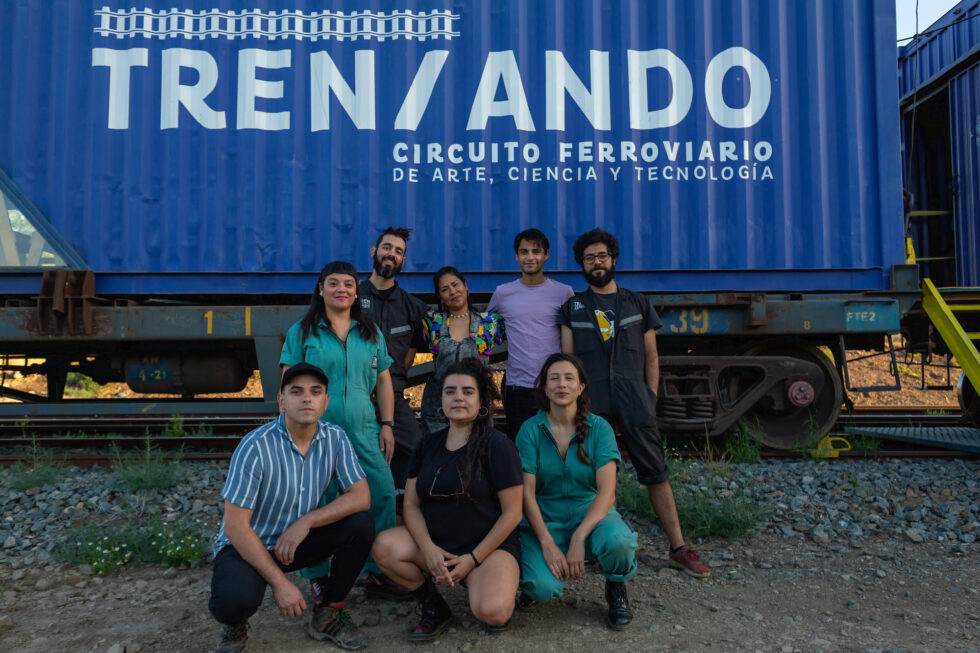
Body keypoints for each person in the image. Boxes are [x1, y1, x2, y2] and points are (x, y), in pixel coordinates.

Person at [558, 229, 710, 578]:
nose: (596, 263)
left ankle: (679, 547)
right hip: (592, 404)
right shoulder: (572, 308)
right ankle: (602, 547)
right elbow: (567, 362)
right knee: (593, 477)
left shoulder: (638, 303)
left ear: (613, 259)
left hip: (635, 401)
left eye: (602, 256)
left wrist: (649, 397)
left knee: (656, 472)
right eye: (589, 258)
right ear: (582, 265)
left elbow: (652, 357)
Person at [208, 363, 374, 652]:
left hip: (294, 542)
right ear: (281, 401)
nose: (307, 398)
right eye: (296, 392)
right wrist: (279, 584)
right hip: (248, 545)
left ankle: (329, 612)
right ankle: (235, 623)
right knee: (233, 601)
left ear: (325, 401)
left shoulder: (335, 438)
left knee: (360, 524)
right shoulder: (255, 446)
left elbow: (361, 497)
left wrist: (306, 522)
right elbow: (235, 527)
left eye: (315, 392)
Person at [372, 357, 523, 640]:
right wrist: (428, 548)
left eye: (468, 391)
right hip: (438, 543)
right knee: (384, 547)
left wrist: (473, 559)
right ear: (440, 400)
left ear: (481, 401)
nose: (458, 398)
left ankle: (479, 579)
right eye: (450, 391)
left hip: (486, 548)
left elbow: (513, 513)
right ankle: (434, 606)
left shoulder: (498, 446)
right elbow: (411, 504)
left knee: (494, 612)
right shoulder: (427, 444)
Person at [279, 261, 398, 604]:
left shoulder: (370, 332)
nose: (341, 289)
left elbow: (383, 381)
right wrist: (290, 431)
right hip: (316, 431)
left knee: (382, 494)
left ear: (356, 291)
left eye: (348, 283)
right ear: (321, 289)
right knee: (317, 499)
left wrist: (387, 424)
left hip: (364, 430)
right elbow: (288, 382)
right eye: (333, 283)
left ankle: (378, 569)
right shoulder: (302, 332)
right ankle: (318, 576)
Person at [516, 353, 637, 629]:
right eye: (554, 378)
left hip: (592, 515)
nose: (562, 384)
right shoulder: (529, 430)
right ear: (544, 387)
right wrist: (547, 543)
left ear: (581, 387)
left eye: (569, 378)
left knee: (619, 543)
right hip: (546, 519)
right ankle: (536, 582)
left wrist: (579, 536)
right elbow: (526, 493)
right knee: (541, 587)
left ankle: (616, 585)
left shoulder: (600, 428)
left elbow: (607, 494)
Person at [358, 227, 429, 599]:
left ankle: (398, 549)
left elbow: (414, 351)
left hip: (395, 397)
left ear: (403, 259)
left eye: (398, 251)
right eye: (386, 248)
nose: (391, 254)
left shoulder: (412, 307)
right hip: (355, 397)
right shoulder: (352, 295)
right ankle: (351, 558)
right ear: (374, 250)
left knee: (415, 455)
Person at [488, 228, 574, 439]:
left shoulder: (563, 292)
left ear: (546, 254)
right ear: (516, 256)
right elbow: (484, 330)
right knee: (521, 448)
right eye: (524, 252)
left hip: (553, 385)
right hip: (518, 387)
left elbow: (570, 341)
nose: (530, 257)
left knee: (556, 446)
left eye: (536, 251)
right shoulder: (502, 293)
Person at [420, 266, 505, 434]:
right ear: (440, 297)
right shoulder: (432, 322)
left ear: (465, 286)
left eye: (455, 284)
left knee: (476, 448)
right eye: (445, 289)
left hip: (476, 406)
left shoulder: (490, 322)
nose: (452, 291)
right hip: (438, 407)